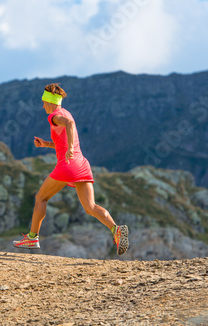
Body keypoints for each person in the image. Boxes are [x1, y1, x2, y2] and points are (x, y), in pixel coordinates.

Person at [13, 83, 129, 256]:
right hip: (82, 164)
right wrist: (46, 144)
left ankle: (32, 237)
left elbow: (69, 124)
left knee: (40, 198)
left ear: (50, 102)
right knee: (90, 207)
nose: (43, 105)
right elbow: (65, 139)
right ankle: (116, 229)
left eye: (44, 102)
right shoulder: (66, 112)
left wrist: (69, 151)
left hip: (67, 165)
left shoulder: (54, 116)